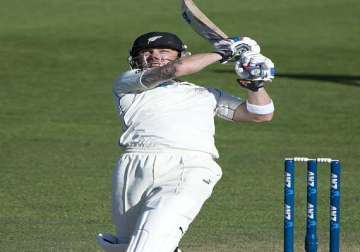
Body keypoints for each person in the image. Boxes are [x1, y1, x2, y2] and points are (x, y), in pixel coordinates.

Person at [97, 31, 275, 252]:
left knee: (151, 244)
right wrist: (224, 52)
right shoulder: (128, 82)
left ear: (181, 54)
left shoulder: (207, 95)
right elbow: (175, 69)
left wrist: (255, 85)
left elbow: (260, 114)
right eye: (147, 52)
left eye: (164, 51)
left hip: (190, 166)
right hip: (134, 165)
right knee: (128, 245)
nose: (155, 56)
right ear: (136, 59)